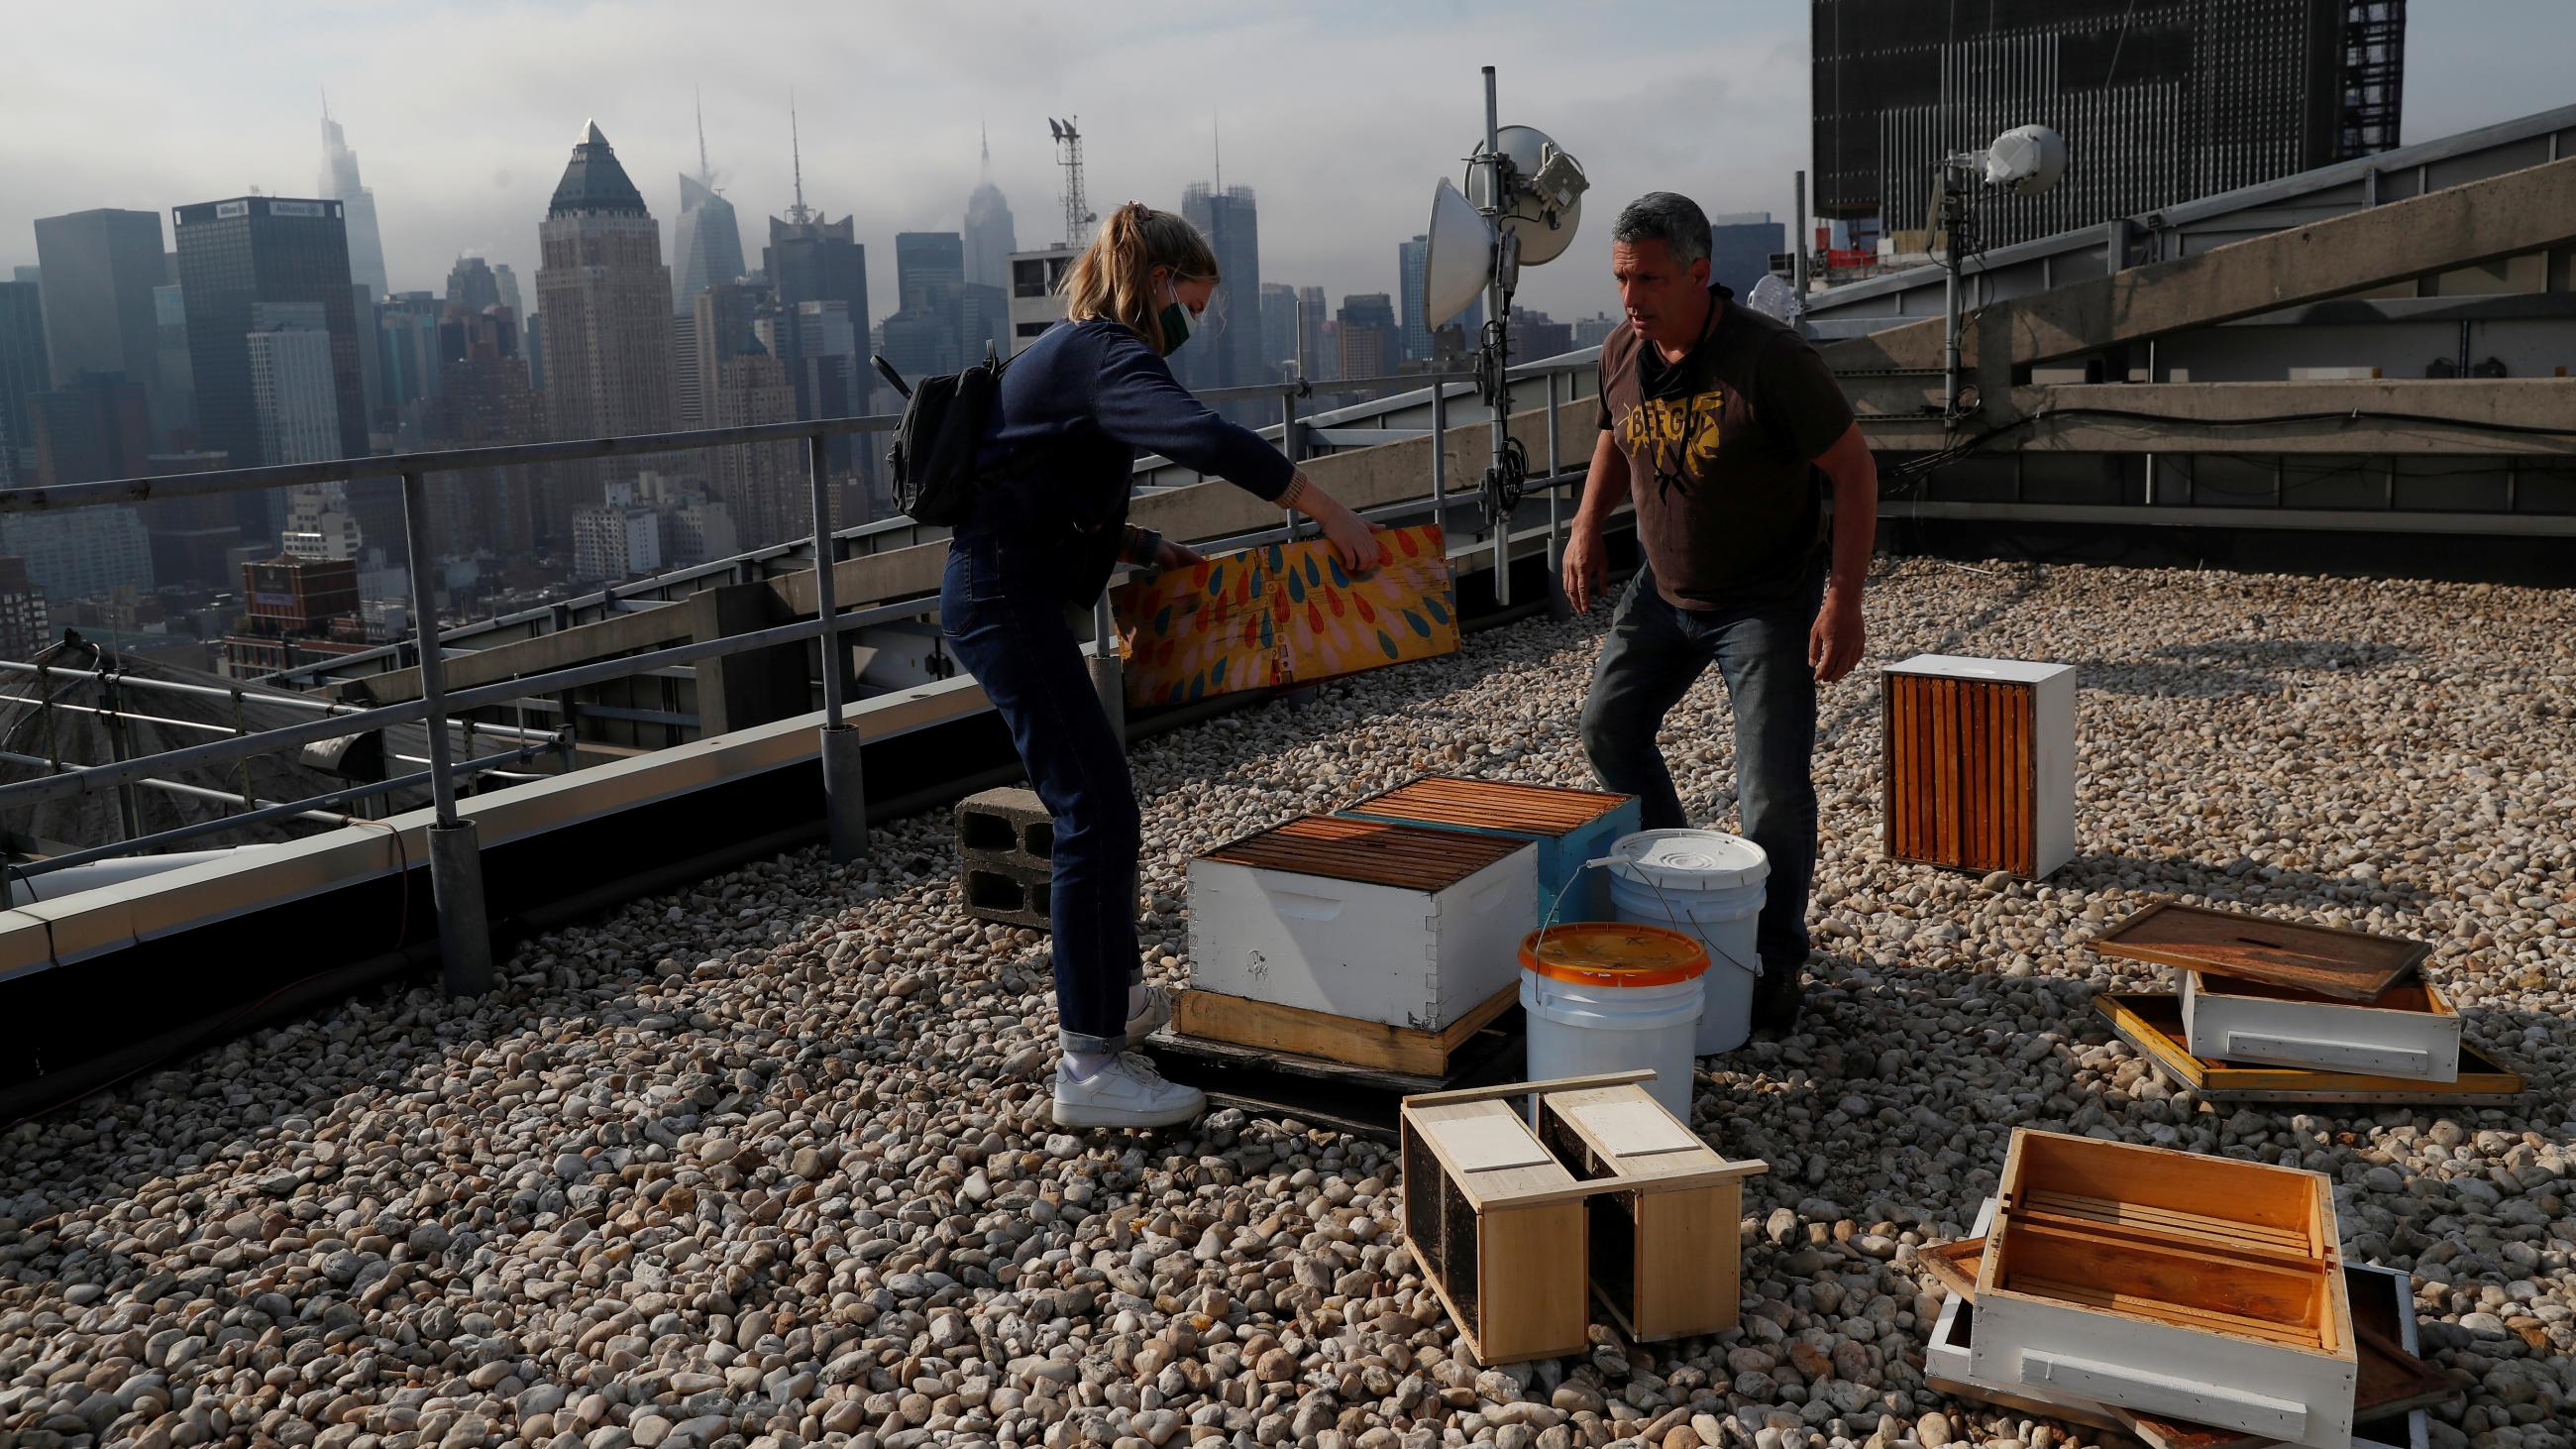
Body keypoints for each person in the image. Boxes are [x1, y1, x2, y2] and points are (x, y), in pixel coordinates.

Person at [945, 202, 1389, 1128]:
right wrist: (1326, 509)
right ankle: (1091, 1063)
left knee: (1099, 806)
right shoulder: (1109, 353)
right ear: (1158, 285)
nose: (1199, 317)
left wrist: (1149, 551)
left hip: (1006, 591)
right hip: (1005, 602)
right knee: (1092, 813)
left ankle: (1113, 997)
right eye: (1197, 297)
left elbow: (1045, 483)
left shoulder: (1073, 354)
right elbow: (1206, 439)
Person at [1560, 192, 1878, 1035]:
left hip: (1765, 600)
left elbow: (1853, 470)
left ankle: (1772, 956)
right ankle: (1688, 885)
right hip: (1663, 591)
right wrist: (1587, 525)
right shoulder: (1621, 350)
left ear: (1700, 274)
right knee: (1607, 729)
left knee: (1770, 791)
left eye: (1652, 278)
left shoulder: (1768, 358)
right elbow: (1611, 434)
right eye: (1623, 276)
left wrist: (1843, 597)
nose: (1633, 296)